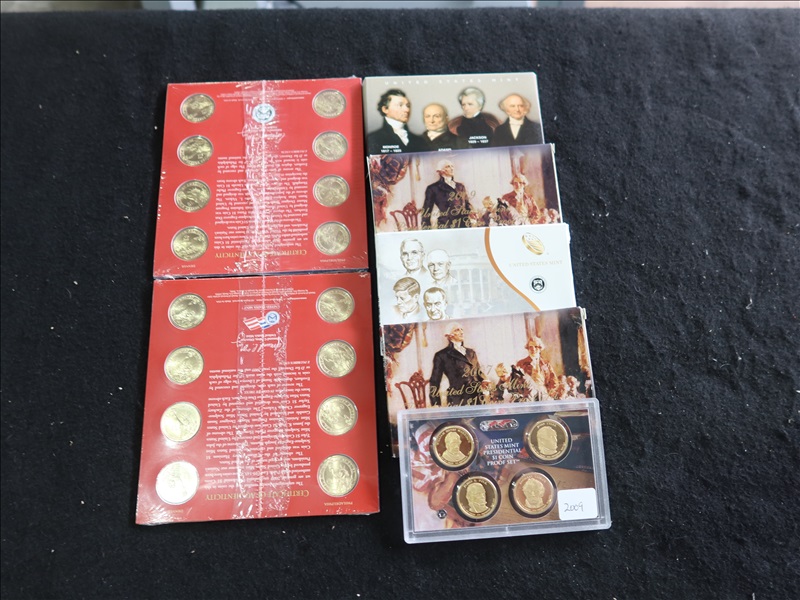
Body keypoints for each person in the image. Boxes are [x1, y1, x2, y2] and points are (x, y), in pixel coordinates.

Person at [428, 322, 486, 406]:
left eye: (462, 329)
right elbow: (434, 381)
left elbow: (478, 372)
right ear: (449, 335)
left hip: (477, 397)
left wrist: (484, 380)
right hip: (458, 399)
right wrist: (435, 403)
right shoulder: (442, 355)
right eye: (457, 330)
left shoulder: (471, 352)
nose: (461, 332)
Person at [366, 89, 427, 155]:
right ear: (385, 109)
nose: (407, 110)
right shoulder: (373, 139)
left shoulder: (420, 141)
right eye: (400, 105)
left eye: (408, 106)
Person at [421, 159, 475, 229]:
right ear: (441, 171)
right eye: (448, 166)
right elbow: (426, 211)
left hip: (464, 224)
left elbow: (467, 204)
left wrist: (471, 212)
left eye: (452, 166)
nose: (452, 168)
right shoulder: (433, 188)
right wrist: (426, 230)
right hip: (446, 224)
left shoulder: (460, 186)